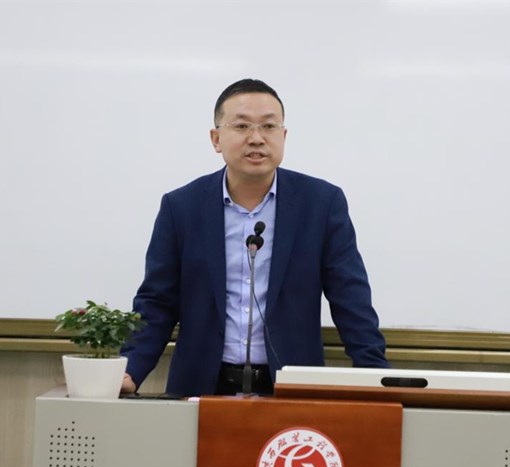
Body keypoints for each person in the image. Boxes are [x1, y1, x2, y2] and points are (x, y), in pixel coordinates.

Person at [120, 78, 389, 397]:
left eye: (269, 127)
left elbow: (351, 298)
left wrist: (376, 375)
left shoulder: (321, 204)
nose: (257, 138)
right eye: (242, 126)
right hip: (202, 388)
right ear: (216, 139)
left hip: (290, 389)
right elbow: (157, 302)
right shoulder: (182, 207)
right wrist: (131, 369)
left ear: (283, 136)